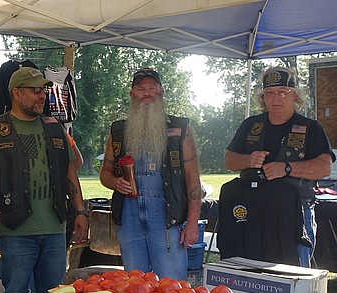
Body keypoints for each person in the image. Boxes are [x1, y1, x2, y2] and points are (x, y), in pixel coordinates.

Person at [0, 68, 88, 293]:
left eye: (44, 90)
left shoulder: (55, 127)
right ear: (16, 93)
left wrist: (81, 211)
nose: (42, 95)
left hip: (55, 228)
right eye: (35, 90)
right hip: (15, 230)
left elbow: (69, 171)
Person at [224, 66, 333, 267]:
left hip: (295, 212)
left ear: (295, 96)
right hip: (254, 210)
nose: (276, 98)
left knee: (294, 273)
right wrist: (248, 160)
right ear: (263, 98)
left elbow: (324, 167)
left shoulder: (310, 128)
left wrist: (287, 168)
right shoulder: (251, 125)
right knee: (251, 268)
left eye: (283, 92)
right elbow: (229, 159)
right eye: (270, 93)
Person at [99, 68, 202, 280]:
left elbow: (193, 180)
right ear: (132, 94)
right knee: (136, 284)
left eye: (152, 88)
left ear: (161, 92)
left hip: (166, 217)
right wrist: (116, 183)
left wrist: (192, 223)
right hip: (129, 218)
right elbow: (105, 175)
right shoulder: (118, 132)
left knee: (171, 284)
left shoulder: (180, 129)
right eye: (141, 89)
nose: (147, 93)